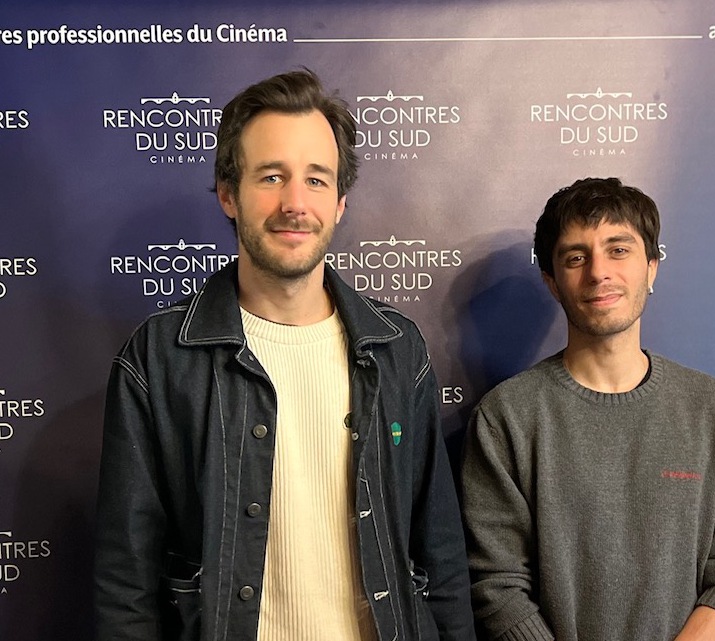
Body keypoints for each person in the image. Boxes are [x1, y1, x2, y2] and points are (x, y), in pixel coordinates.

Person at [94, 69, 473, 641]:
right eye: (272, 176)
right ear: (229, 194)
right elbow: (127, 582)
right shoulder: (159, 358)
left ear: (340, 203)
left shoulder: (398, 349)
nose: (295, 203)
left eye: (316, 180)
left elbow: (439, 553)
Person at [461, 177, 715, 641]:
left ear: (652, 267)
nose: (598, 272)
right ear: (552, 283)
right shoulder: (505, 417)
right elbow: (497, 584)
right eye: (576, 257)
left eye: (619, 250)